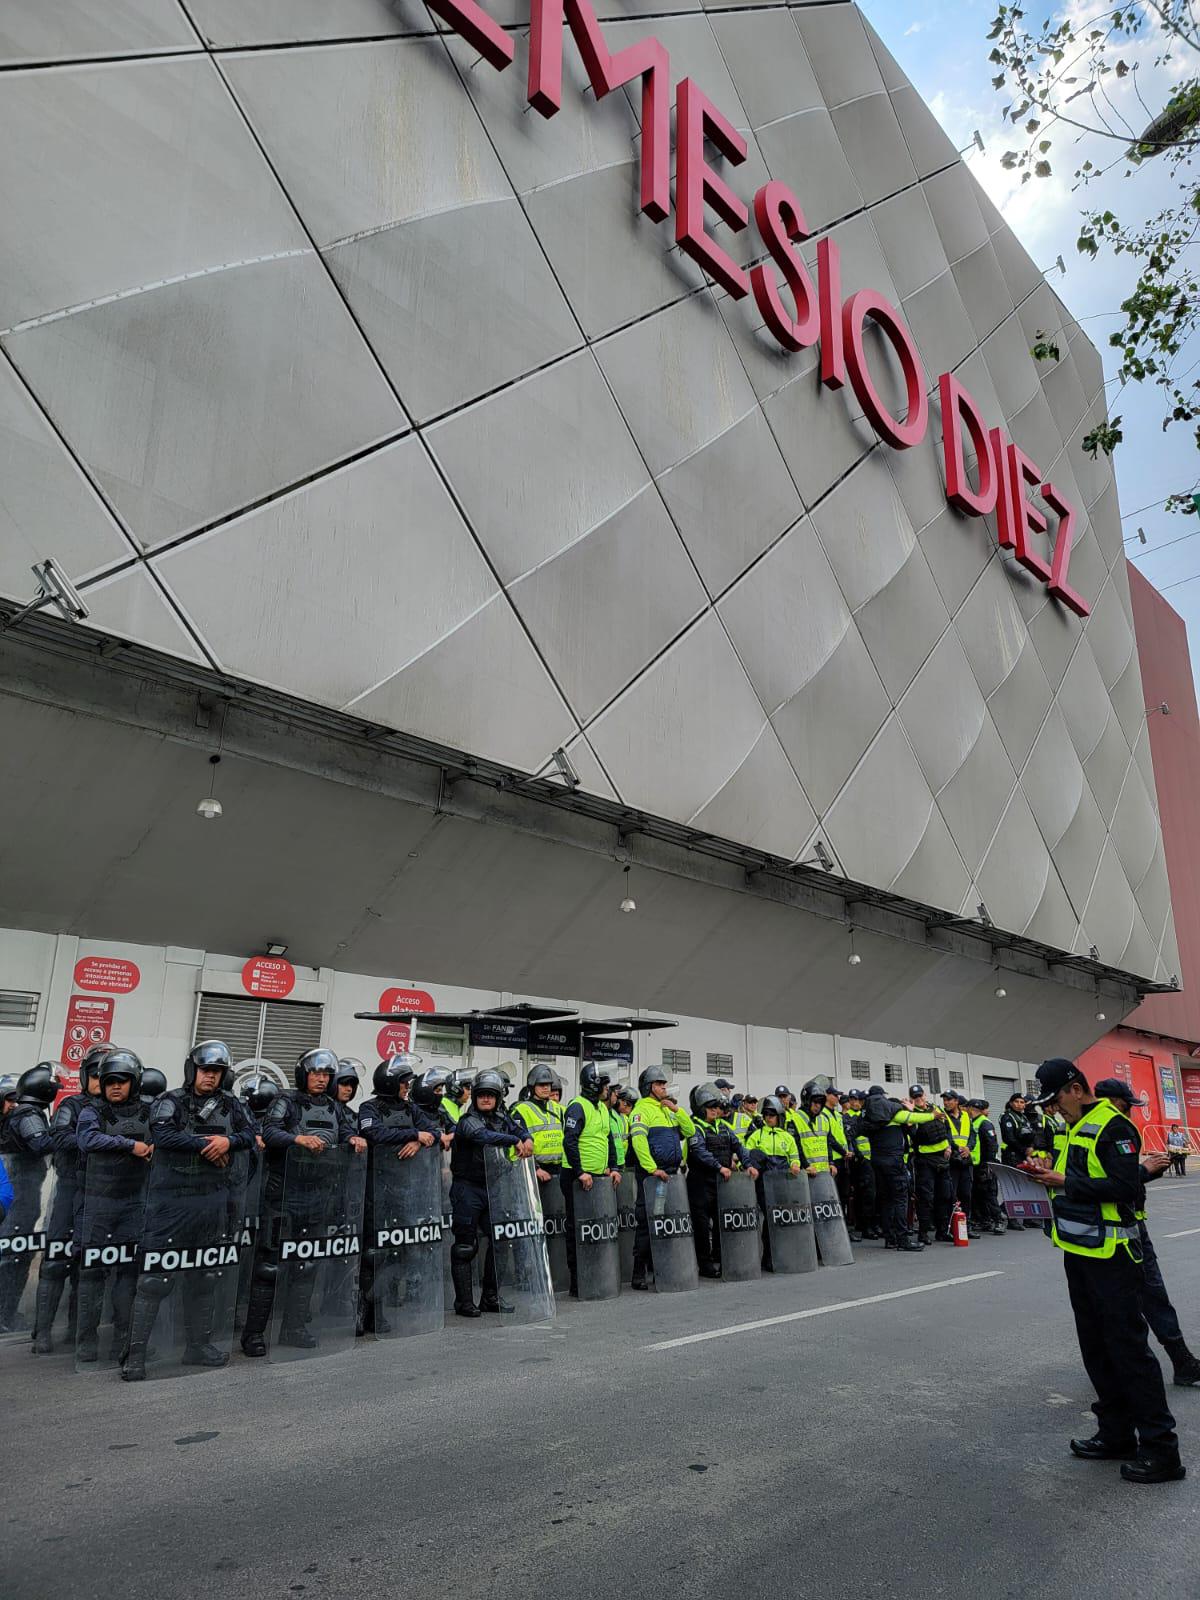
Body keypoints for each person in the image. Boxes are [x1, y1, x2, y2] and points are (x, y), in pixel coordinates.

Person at [1024, 1057, 1185, 1484]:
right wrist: (1043, 1178)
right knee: (1097, 1350)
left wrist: (1064, 1183)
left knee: (1129, 1352)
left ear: (1076, 1088)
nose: (1054, 1109)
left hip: (1113, 1257)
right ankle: (1115, 1433)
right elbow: (1080, 1180)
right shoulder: (1076, 1127)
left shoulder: (1113, 1126)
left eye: (1056, 1099)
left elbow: (1125, 1186)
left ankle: (1161, 1449)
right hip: (1080, 1254)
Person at [124, 1040, 258, 1378]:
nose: (210, 1077)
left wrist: (229, 1142)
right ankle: (135, 1355)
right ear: (192, 1070)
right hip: (172, 1203)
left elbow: (251, 1133)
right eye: (205, 1070)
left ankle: (197, 1346)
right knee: (156, 1278)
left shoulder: (231, 1105)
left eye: (216, 1072)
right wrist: (204, 1146)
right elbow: (163, 1135)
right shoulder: (171, 1101)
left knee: (206, 1276)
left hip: (213, 1202)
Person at [240, 1047, 354, 1358]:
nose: (321, 1079)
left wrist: (355, 1140)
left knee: (306, 1264)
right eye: (316, 1073)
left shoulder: (334, 1107)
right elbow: (270, 1132)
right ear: (304, 1074)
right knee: (268, 1266)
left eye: (326, 1074)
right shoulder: (285, 1101)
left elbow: (347, 1134)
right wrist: (298, 1139)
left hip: (318, 1196)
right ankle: (253, 1334)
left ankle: (293, 1329)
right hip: (283, 1196)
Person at [1093, 1079, 1200, 1389]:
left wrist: (1148, 1172)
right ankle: (1178, 1361)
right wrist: (1143, 1172)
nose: (1129, 1112)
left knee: (1128, 1300)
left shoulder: (1100, 1131)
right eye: (1126, 1105)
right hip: (1118, 1232)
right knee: (1148, 1296)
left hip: (1121, 1227)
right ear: (1110, 1102)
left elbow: (1118, 1183)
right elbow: (1108, 1185)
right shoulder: (1107, 1131)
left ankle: (1174, 1360)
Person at [74, 1049, 154, 1364]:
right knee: (92, 1275)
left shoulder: (149, 1113)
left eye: (122, 1081)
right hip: (98, 1205)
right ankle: (86, 1342)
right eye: (110, 1082)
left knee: (128, 1275)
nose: (115, 1087)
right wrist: (130, 1145)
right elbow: (87, 1141)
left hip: (134, 1204)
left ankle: (124, 1339)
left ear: (134, 1083)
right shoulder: (92, 1112)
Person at [31, 1046, 105, 1354]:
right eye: (98, 1075)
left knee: (87, 1265)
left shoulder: (117, 1108)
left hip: (101, 1193)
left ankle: (78, 1331)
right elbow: (57, 1137)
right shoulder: (72, 1105)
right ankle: (42, 1331)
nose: (103, 1081)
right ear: (87, 1075)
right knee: (55, 1262)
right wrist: (99, 1141)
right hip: (70, 1188)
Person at [358, 1056, 439, 1334]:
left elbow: (435, 1131)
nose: (408, 1087)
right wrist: (414, 1134)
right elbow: (374, 1132)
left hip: (402, 1190)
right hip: (374, 1189)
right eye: (404, 1082)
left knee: (394, 1252)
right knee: (371, 1252)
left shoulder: (410, 1108)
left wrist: (417, 1141)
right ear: (391, 1083)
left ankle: (377, 1311)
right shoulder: (369, 1107)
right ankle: (362, 1311)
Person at [448, 1068, 531, 1317]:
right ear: (475, 1097)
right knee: (465, 1246)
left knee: (501, 1241)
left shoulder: (501, 1118)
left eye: (491, 1095)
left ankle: (490, 1298)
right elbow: (480, 1135)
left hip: (493, 1187)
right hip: (467, 1189)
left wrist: (526, 1138)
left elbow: (517, 1128)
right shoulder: (467, 1120)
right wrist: (513, 1141)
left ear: (498, 1098)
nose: (486, 1099)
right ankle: (463, 1302)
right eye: (481, 1094)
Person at [0, 1062, 57, 1333]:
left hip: (25, 1199)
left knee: (19, 1254)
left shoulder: (19, 1122)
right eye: (9, 1101)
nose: (14, 1106)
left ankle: (8, 1311)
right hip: (14, 1201)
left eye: (17, 1100)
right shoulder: (21, 1121)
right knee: (11, 1254)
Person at [560, 1062, 621, 1296]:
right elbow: (570, 1141)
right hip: (577, 1178)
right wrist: (580, 1172)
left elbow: (608, 1140)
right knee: (577, 1229)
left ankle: (595, 1275)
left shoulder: (603, 1109)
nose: (608, 1089)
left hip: (597, 1178)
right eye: (605, 1085)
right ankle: (578, 1281)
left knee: (596, 1228)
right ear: (594, 1085)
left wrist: (613, 1167)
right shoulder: (578, 1106)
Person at [685, 1083, 758, 1278]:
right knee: (701, 1226)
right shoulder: (695, 1127)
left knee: (720, 1222)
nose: (715, 1111)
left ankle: (719, 1256)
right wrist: (719, 1167)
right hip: (700, 1182)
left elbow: (739, 1146)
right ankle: (705, 1264)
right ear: (701, 1109)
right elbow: (699, 1152)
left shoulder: (723, 1127)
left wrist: (748, 1164)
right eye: (711, 1108)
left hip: (720, 1183)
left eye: (716, 1107)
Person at [628, 1066, 691, 1290]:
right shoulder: (641, 1110)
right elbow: (638, 1141)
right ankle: (638, 1273)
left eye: (664, 1084)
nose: (664, 1087)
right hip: (652, 1177)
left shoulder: (666, 1109)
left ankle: (661, 1269)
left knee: (664, 1220)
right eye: (660, 1084)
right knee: (647, 1222)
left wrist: (676, 1110)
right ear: (649, 1087)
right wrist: (652, 1168)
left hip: (669, 1178)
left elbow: (690, 1131)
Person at [860, 1085, 938, 1251]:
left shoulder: (869, 1118)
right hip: (894, 1163)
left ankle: (890, 1239)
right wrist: (932, 1115)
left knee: (886, 1201)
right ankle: (903, 1239)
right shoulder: (892, 1114)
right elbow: (914, 1118)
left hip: (877, 1162)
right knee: (900, 1200)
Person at [745, 1096, 802, 1270]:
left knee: (783, 1219)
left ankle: (784, 1253)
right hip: (764, 1183)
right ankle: (768, 1257)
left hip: (783, 1183)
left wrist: (795, 1165)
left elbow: (794, 1156)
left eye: (772, 1114)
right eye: (766, 1114)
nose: (768, 1117)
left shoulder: (787, 1137)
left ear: (778, 1116)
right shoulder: (756, 1136)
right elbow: (746, 1156)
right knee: (770, 1219)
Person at [906, 1085, 952, 1243]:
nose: (918, 1099)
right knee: (926, 1198)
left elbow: (946, 1128)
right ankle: (923, 1233)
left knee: (944, 1196)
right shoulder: (911, 1115)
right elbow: (914, 1136)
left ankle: (942, 1231)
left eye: (920, 1095)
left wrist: (949, 1146)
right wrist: (912, 1115)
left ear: (924, 1095)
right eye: (915, 1097)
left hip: (942, 1159)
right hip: (925, 1160)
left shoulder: (936, 1108)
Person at [512, 1065, 564, 1201]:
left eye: (548, 1084)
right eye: (541, 1085)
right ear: (532, 1086)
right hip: (536, 1171)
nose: (546, 1088)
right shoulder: (521, 1110)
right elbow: (519, 1145)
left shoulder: (559, 1109)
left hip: (559, 1170)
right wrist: (535, 1168)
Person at [967, 1098, 1007, 1236]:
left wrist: (989, 1164)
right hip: (976, 1164)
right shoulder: (974, 1122)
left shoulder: (984, 1123)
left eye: (967, 1108)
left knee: (989, 1194)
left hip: (985, 1164)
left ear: (972, 1109)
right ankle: (985, 1220)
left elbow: (992, 1145)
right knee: (978, 1193)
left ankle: (999, 1220)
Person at [843, 1088, 879, 1239]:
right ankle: (866, 1227)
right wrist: (860, 1156)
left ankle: (868, 1224)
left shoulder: (865, 1115)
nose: (855, 1102)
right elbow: (850, 1138)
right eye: (852, 1100)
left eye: (857, 1100)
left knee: (869, 1193)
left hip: (871, 1158)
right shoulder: (847, 1117)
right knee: (865, 1194)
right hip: (860, 1161)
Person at [941, 1088, 978, 1238]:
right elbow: (946, 1135)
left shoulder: (965, 1117)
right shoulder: (943, 1116)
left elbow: (973, 1136)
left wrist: (969, 1148)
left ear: (956, 1101)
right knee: (951, 1195)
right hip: (952, 1160)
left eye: (949, 1099)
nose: (946, 1102)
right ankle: (950, 1228)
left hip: (965, 1160)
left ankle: (966, 1226)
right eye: (944, 1100)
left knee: (966, 1194)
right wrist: (958, 1148)